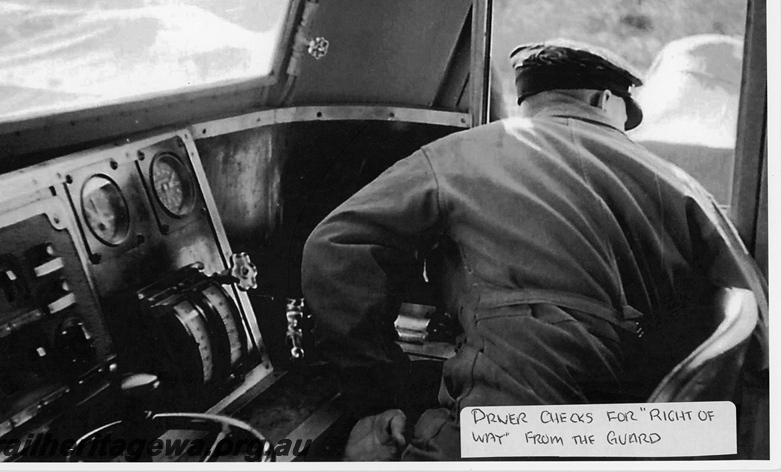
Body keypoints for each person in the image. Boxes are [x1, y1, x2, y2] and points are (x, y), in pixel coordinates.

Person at [300, 39, 768, 461]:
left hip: (509, 428)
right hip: (631, 434)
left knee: (363, 448)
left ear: (528, 101)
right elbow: (759, 323)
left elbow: (335, 245)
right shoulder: (679, 182)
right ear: (605, 100)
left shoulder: (459, 154)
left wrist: (378, 392)